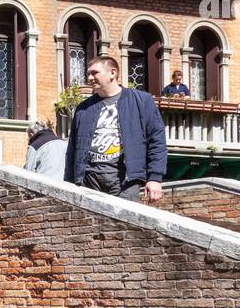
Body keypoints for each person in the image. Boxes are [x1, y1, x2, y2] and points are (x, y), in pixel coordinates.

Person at [64, 55, 167, 204]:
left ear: (113, 73)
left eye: (95, 73)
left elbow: (157, 141)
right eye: (88, 74)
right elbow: (72, 148)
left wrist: (155, 178)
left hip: (125, 180)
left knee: (123, 224)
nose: (90, 78)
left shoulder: (141, 101)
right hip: (89, 179)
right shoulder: (83, 109)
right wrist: (68, 182)